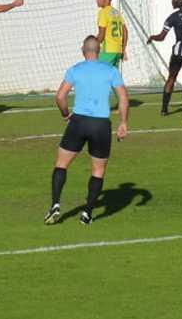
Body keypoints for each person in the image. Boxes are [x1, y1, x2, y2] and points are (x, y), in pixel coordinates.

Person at [45, 35, 130, 226]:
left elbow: (60, 97)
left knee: (61, 164)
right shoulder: (111, 70)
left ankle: (55, 204)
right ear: (98, 50)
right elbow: (123, 98)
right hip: (100, 125)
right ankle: (88, 213)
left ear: (83, 50)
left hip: (78, 122)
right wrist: (123, 122)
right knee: (98, 171)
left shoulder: (75, 70)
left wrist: (66, 114)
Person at [96, 0, 129, 68]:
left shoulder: (103, 12)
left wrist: (93, 44)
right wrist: (123, 49)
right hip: (117, 51)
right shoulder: (116, 12)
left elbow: (101, 35)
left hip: (108, 51)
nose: (97, 0)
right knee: (113, 77)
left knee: (100, 75)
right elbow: (125, 31)